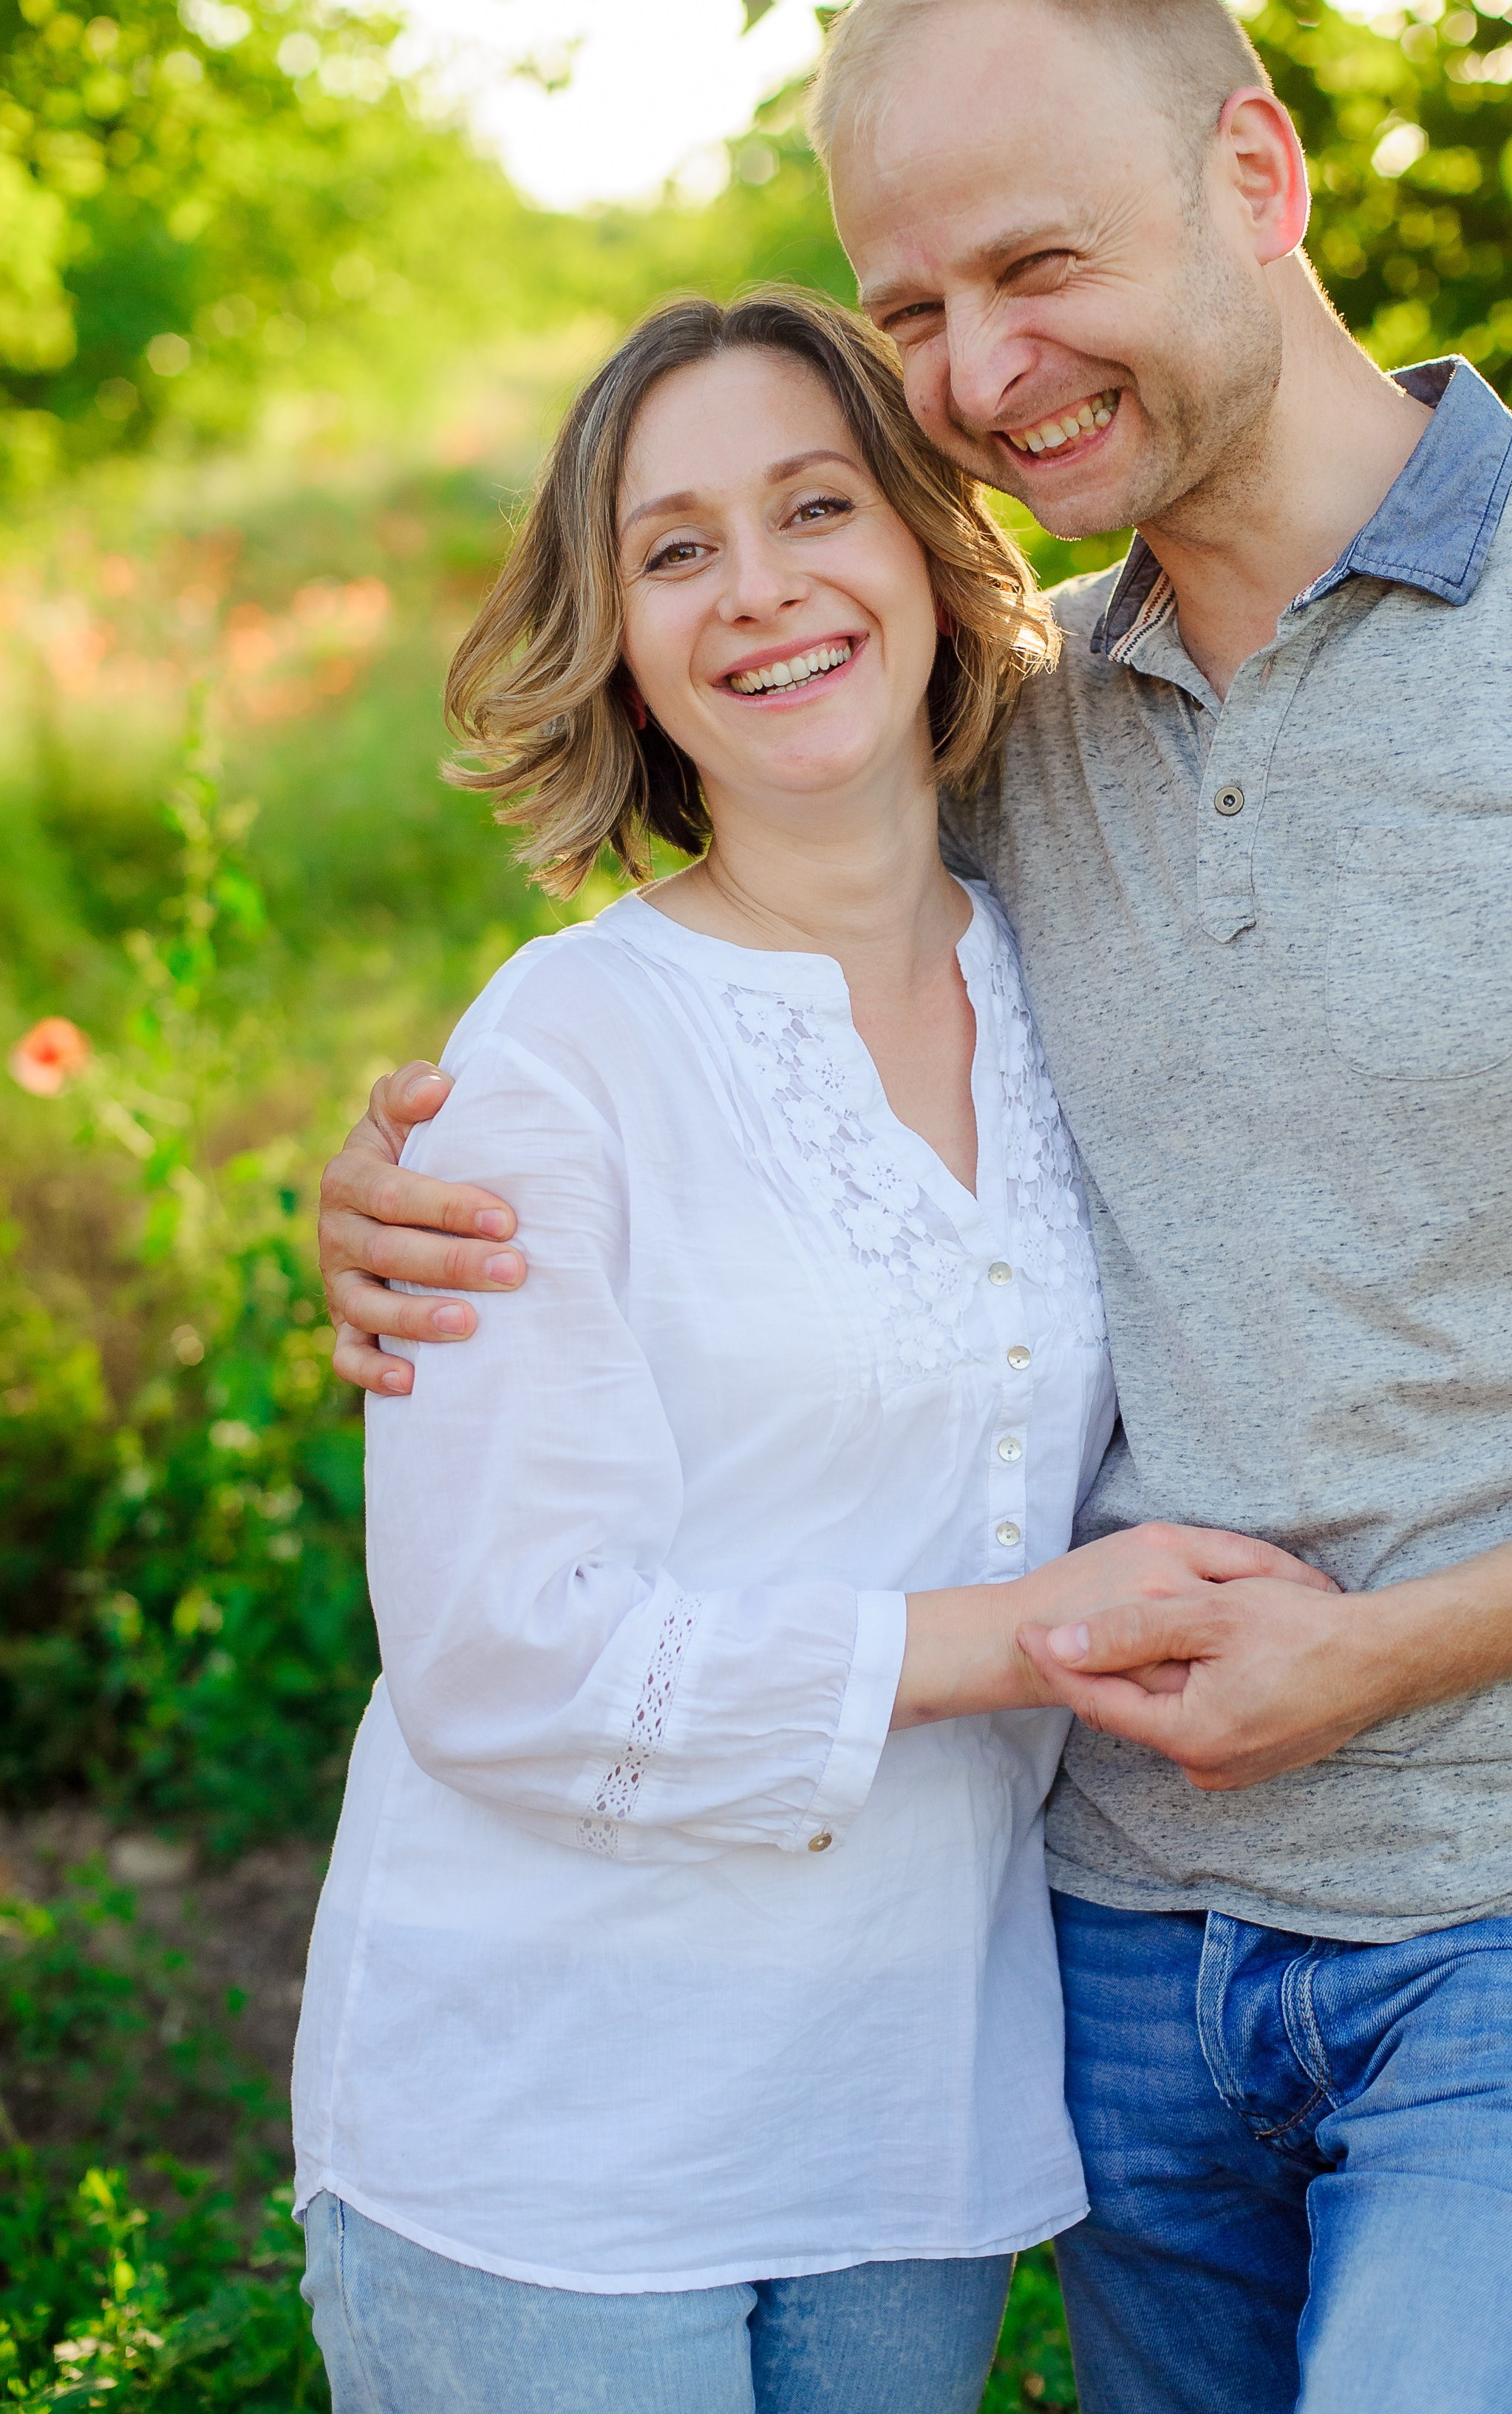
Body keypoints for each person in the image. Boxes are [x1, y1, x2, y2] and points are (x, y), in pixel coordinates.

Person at [316, 0, 1512, 2414]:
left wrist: (1380, 1657)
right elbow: (716, 1028)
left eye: (1041, 265)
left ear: (1259, 175)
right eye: (914, 306)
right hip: (1104, 1944)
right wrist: (391, 1208)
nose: (981, 372)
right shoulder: (1016, 730)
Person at [291, 284, 1332, 2414]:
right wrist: (1024, 1636)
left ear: (931, 553)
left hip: (901, 2117)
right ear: (621, 643)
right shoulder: (558, 1055)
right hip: (549, 2131)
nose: (759, 589)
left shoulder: (1075, 982)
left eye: (816, 506)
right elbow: (500, 1657)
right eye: (675, 550)